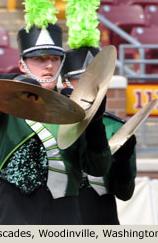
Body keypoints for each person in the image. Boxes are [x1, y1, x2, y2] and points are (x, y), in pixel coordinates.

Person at [0, 24, 112, 224]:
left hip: (65, 211)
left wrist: (95, 122)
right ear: (23, 65)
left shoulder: (76, 111)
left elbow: (98, 167)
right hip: (15, 210)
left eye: (55, 59)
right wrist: (14, 81)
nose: (49, 66)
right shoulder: (6, 104)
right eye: (40, 59)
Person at [61, 47, 137, 224]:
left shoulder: (116, 127)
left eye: (98, 80)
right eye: (82, 80)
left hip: (102, 219)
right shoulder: (52, 122)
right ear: (65, 84)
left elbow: (125, 193)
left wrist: (122, 163)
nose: (92, 85)